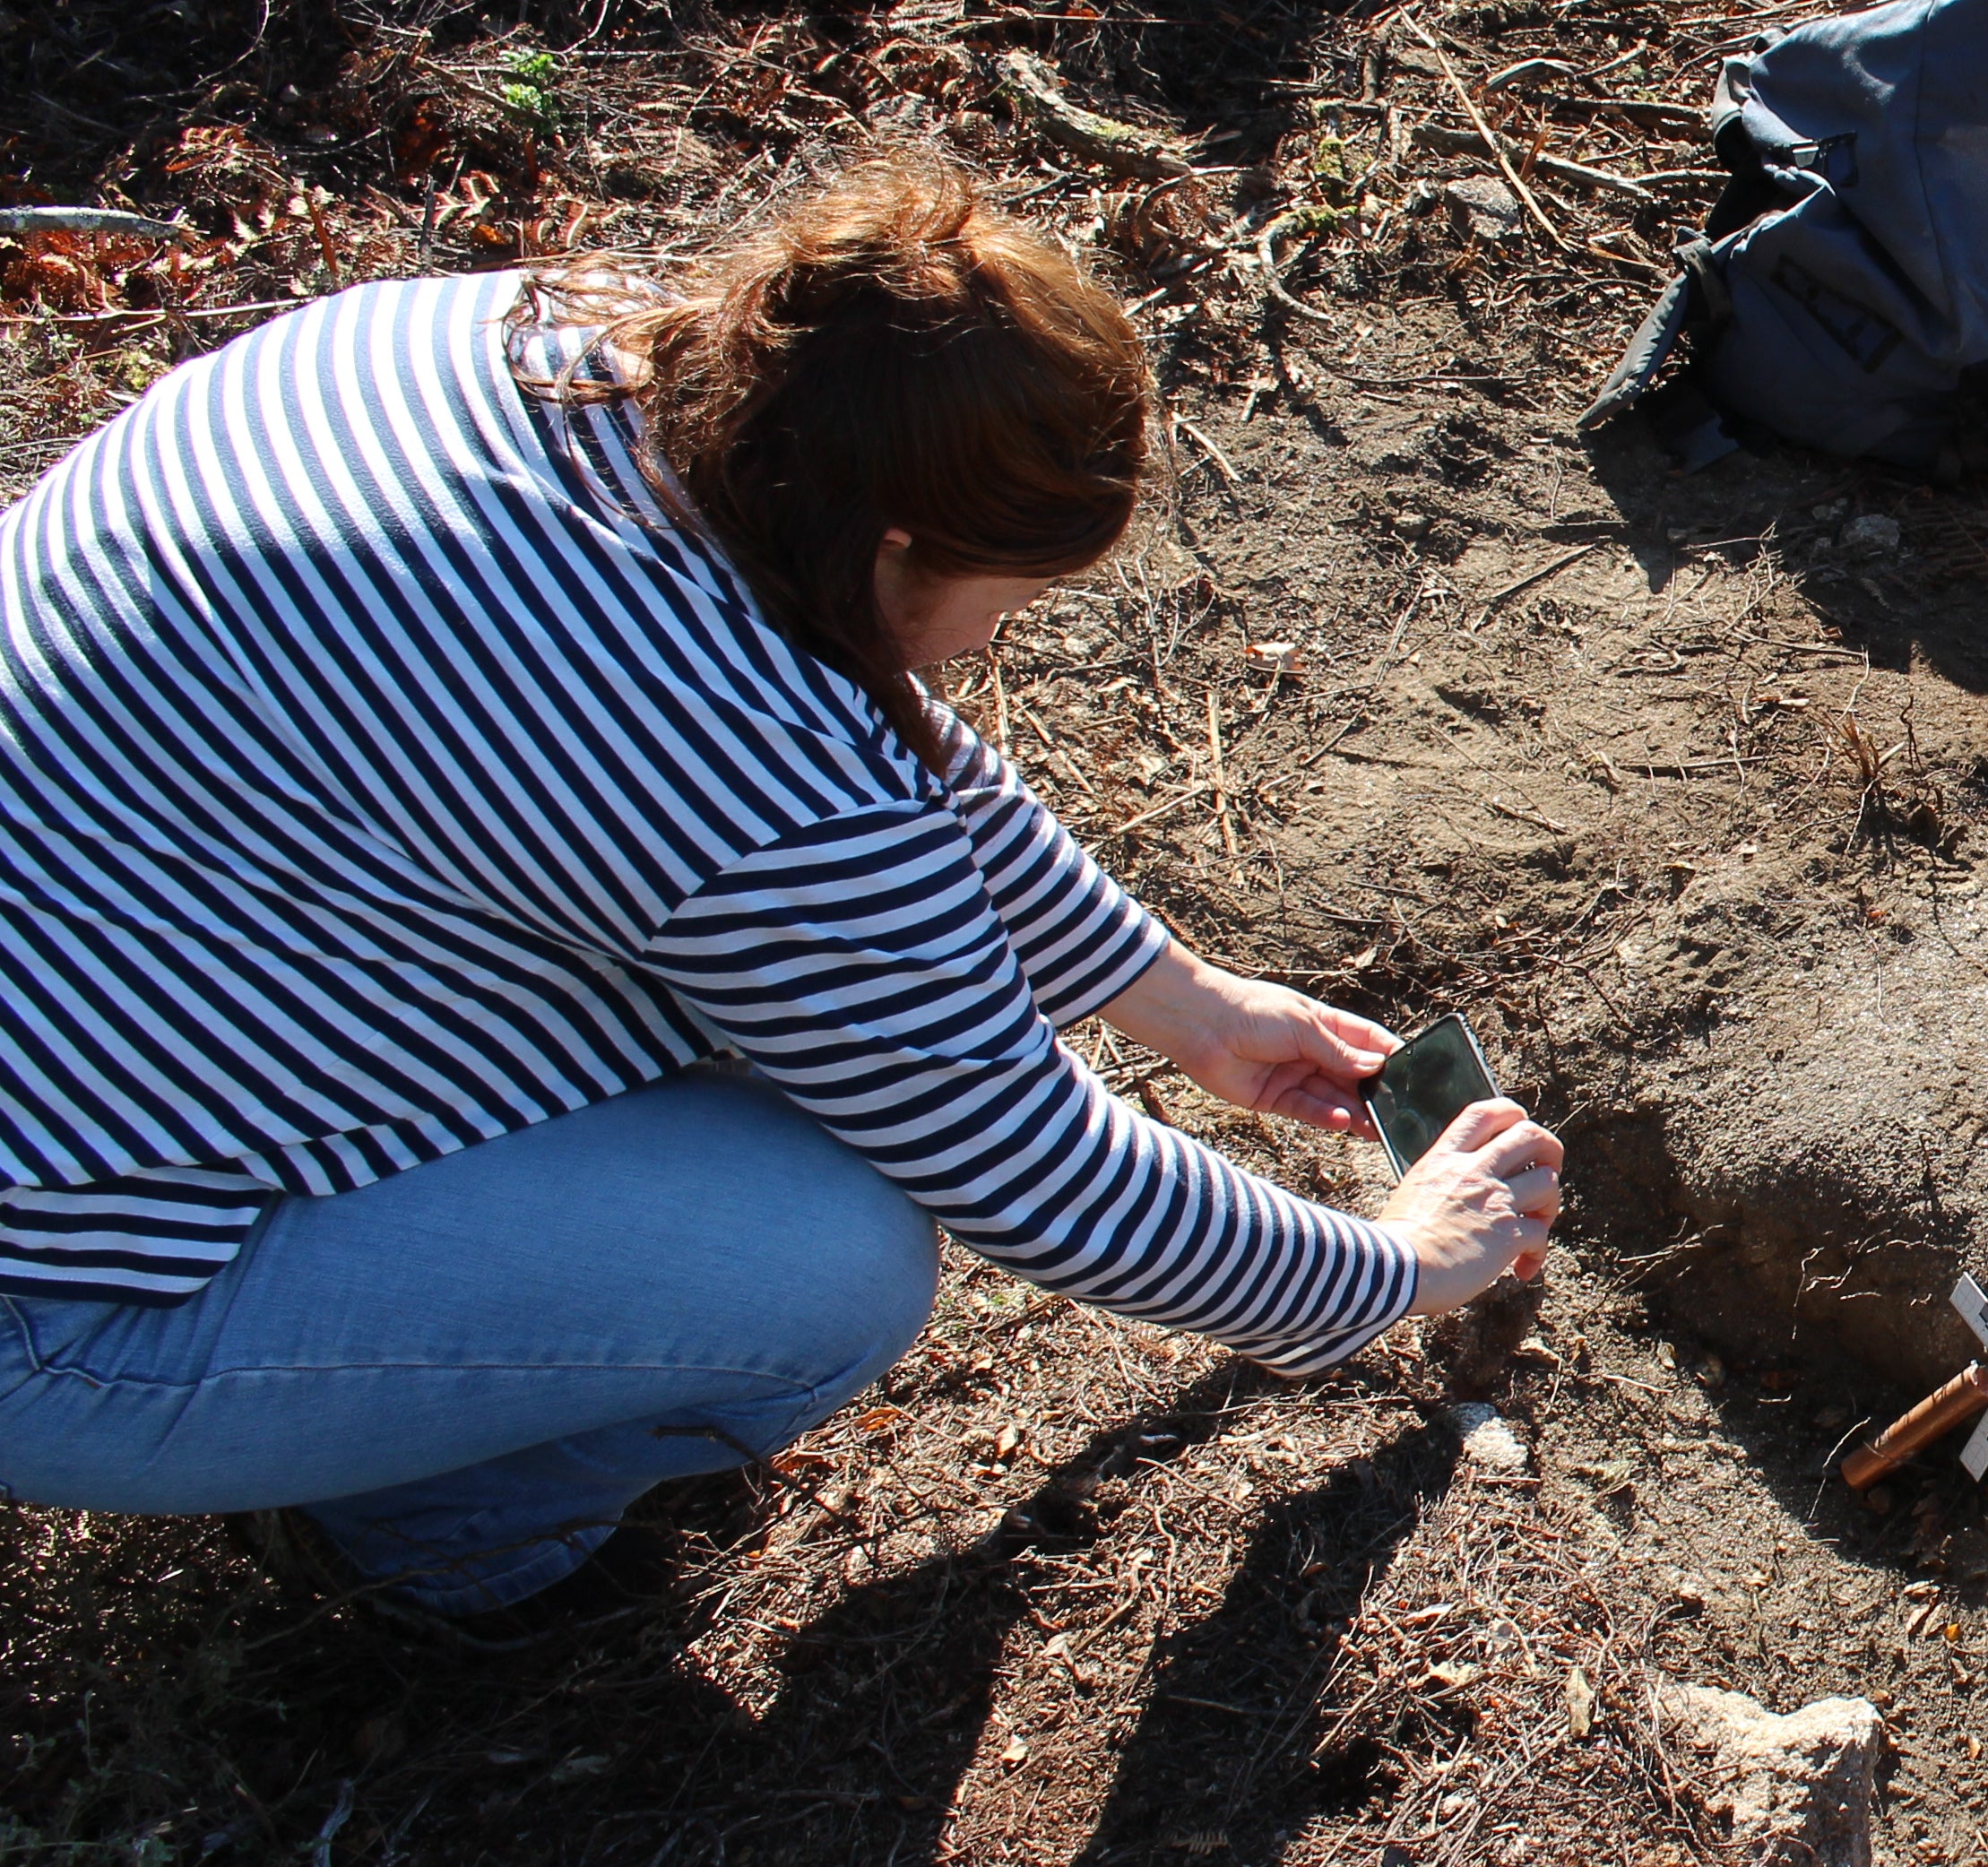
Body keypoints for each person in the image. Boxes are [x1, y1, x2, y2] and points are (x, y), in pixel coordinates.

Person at [0, 160, 1561, 1636]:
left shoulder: (564, 348)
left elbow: (877, 743)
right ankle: (443, 1538)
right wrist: (1397, 1267)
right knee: (826, 1263)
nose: (984, 649)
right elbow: (1046, 1181)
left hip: (108, 979)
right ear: (887, 551)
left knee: (776, 1054)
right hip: (54, 1299)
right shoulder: (733, 766)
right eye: (999, 604)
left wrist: (1182, 1002)